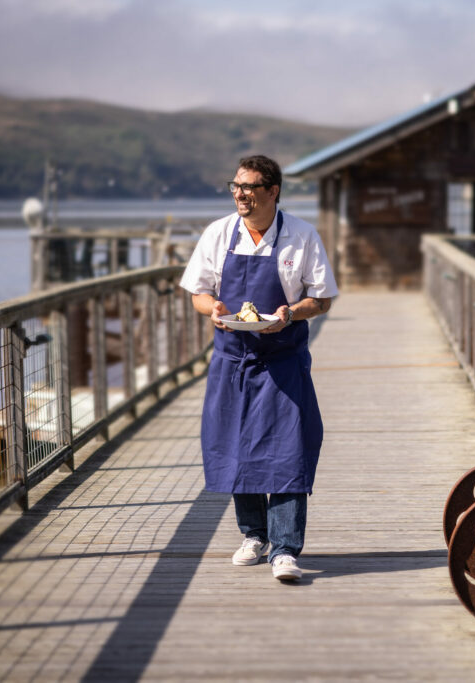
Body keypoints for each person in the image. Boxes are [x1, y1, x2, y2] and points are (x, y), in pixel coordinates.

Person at [179, 155, 337, 581]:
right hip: (232, 361)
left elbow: (321, 299)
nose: (239, 194)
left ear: (272, 191)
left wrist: (290, 314)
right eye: (235, 185)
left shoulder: (301, 236)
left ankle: (284, 549)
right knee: (236, 446)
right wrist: (213, 309)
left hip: (283, 360)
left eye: (248, 187)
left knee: (290, 450)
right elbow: (198, 293)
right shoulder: (218, 233)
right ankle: (254, 534)